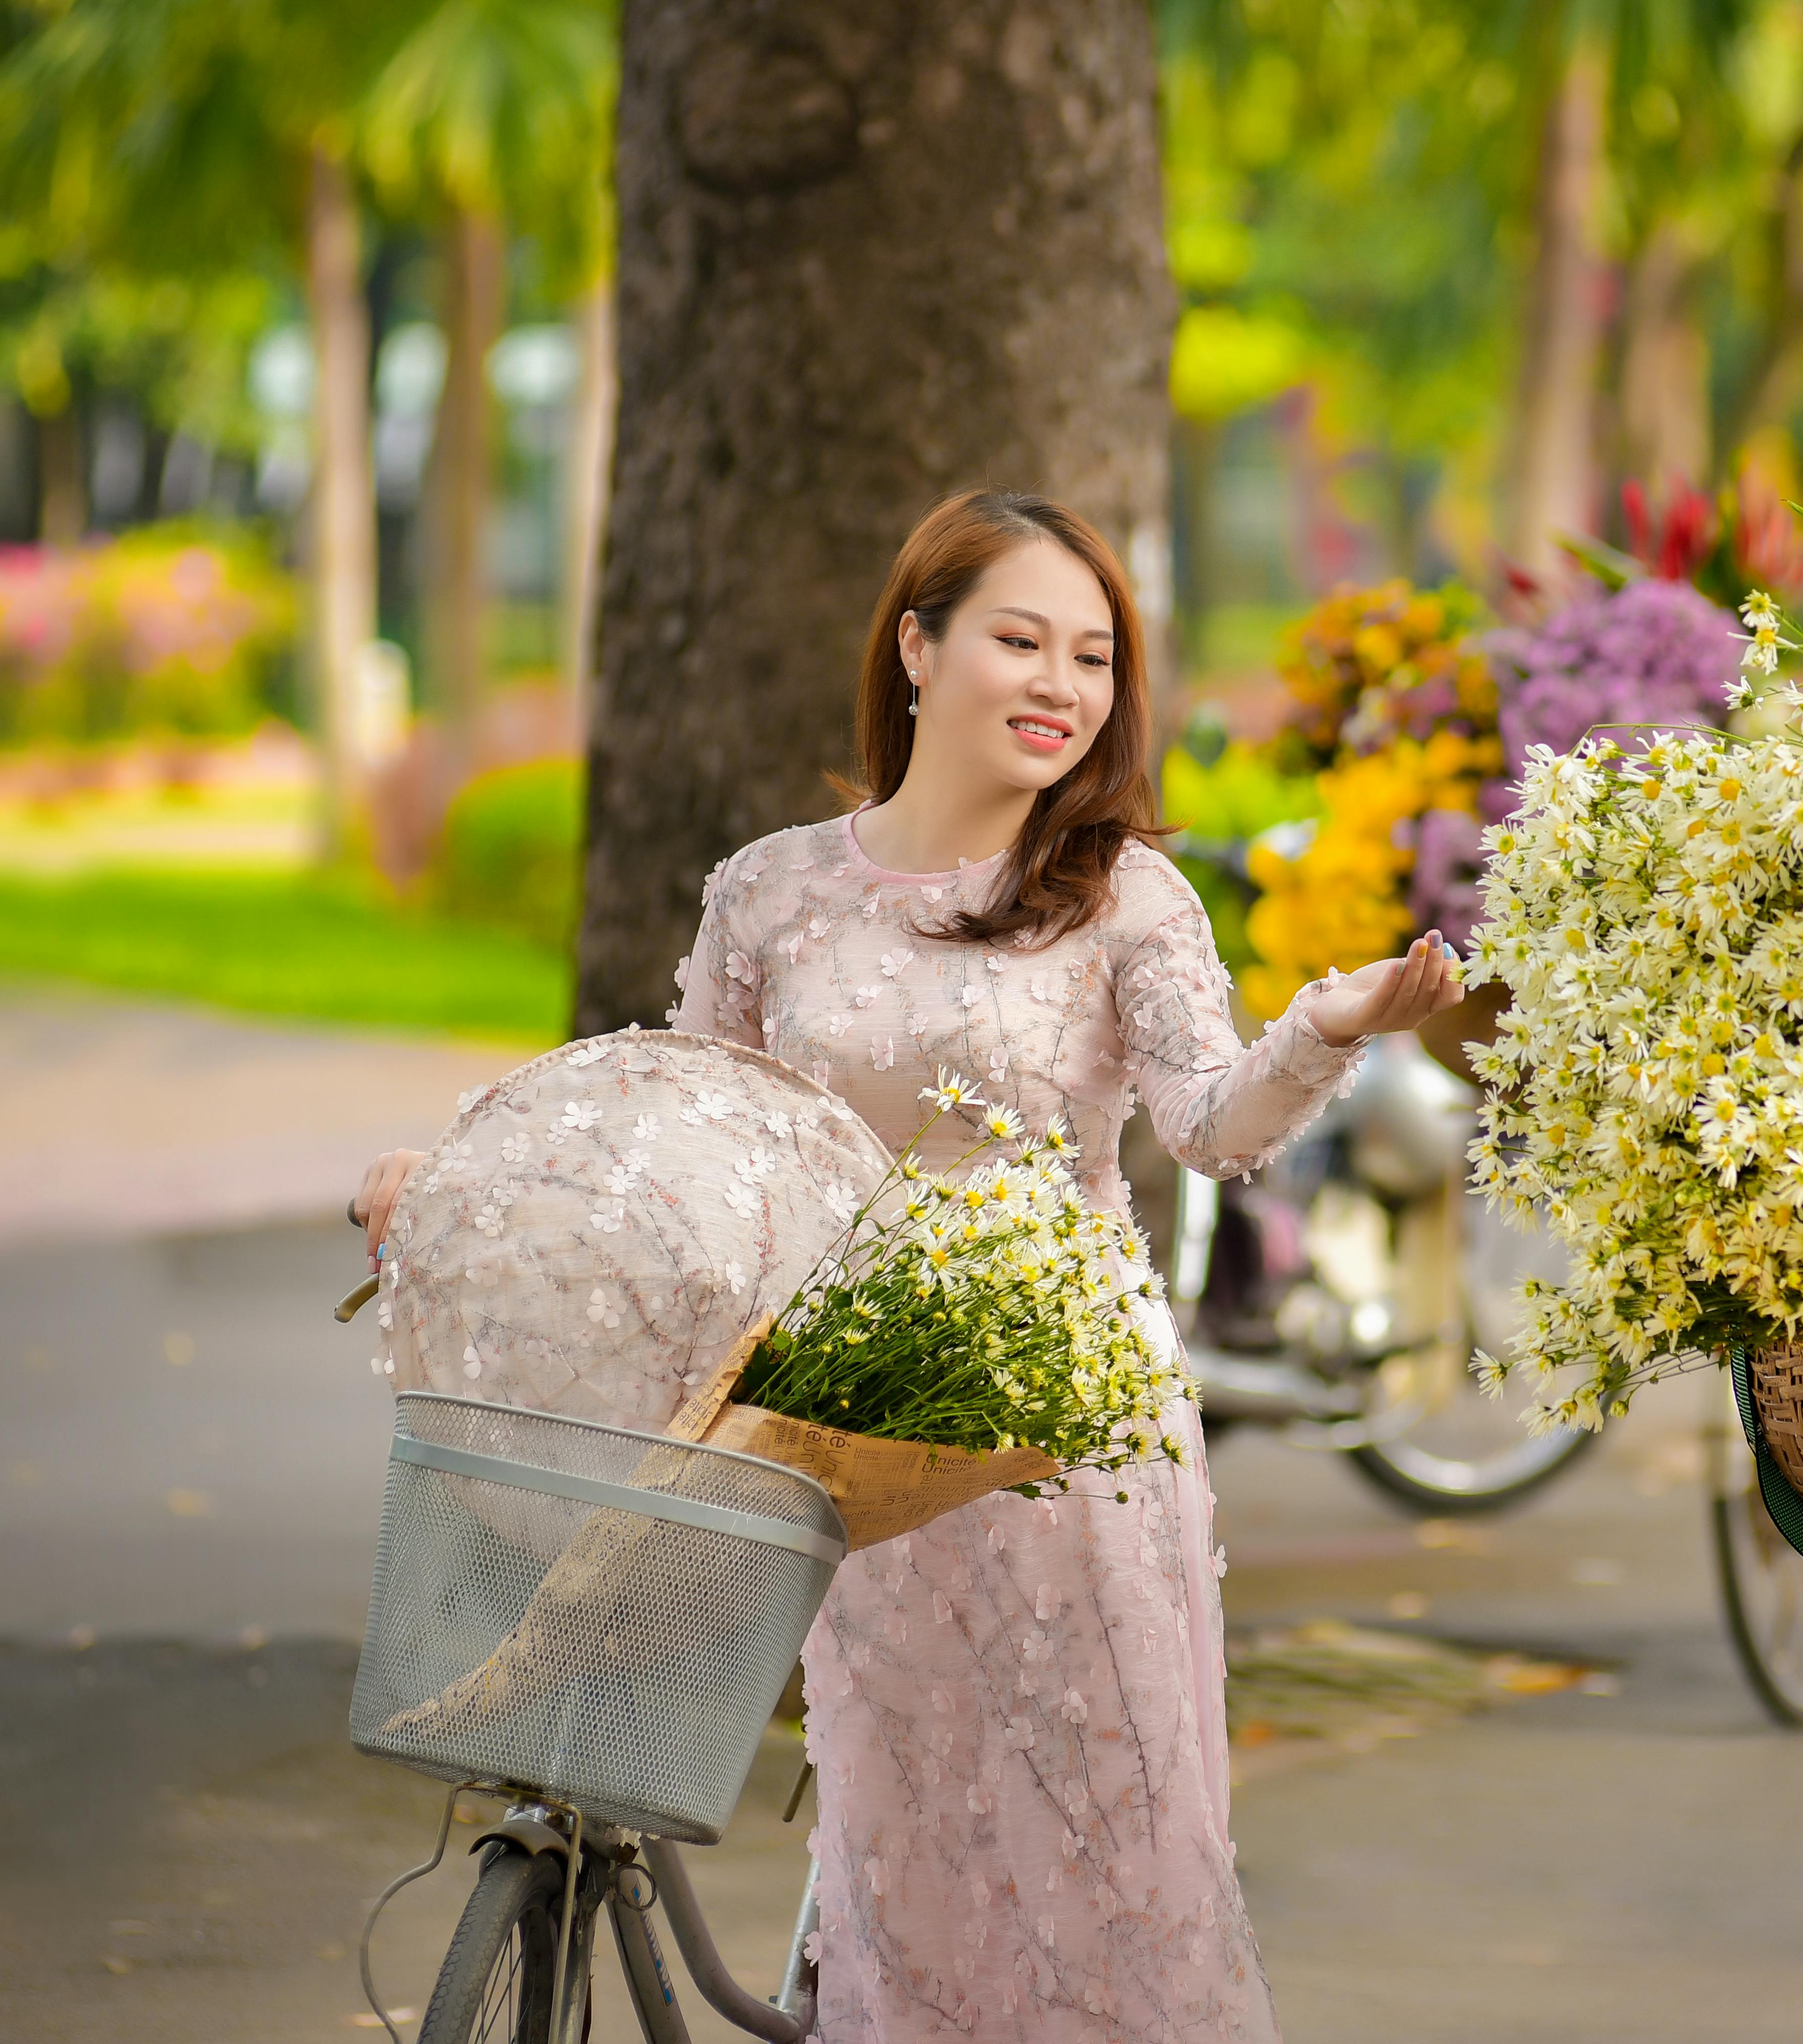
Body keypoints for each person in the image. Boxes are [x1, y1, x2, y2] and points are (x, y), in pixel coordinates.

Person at [355, 487, 1458, 2041]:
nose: (1062, 685)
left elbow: (1213, 1130)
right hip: (854, 1437)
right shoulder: (772, 890)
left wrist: (1328, 1027)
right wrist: (460, 1182)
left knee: (1113, 1863)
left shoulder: (1125, 895)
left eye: (1093, 655)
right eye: (1022, 638)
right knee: (911, 1855)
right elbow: (682, 1140)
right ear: (920, 646)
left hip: (1063, 1427)